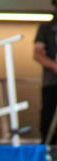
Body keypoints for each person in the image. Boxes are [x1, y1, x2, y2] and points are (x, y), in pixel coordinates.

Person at [34, 0, 57, 143]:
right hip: (52, 82)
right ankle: (49, 152)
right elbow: (37, 54)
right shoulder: (47, 28)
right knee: (48, 120)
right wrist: (54, 66)